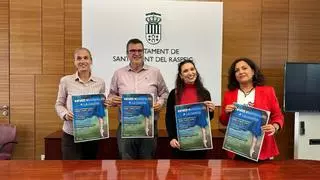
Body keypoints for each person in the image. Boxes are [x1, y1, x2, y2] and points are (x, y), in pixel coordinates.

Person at [107, 38, 169, 159]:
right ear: (127, 54)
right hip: (126, 126)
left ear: (143, 52)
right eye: (132, 50)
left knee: (148, 165)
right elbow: (111, 95)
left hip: (149, 126)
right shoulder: (118, 73)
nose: (136, 53)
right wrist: (113, 100)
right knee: (126, 165)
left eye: (140, 50)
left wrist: (160, 103)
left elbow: (165, 93)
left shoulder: (155, 72)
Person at [220, 57, 284, 161]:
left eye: (244, 68)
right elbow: (223, 121)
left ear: (253, 71)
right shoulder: (229, 95)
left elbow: (278, 116)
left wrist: (274, 126)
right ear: (234, 75)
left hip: (262, 148)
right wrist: (226, 113)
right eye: (237, 70)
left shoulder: (268, 91)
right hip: (237, 148)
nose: (240, 72)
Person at [55, 47, 106, 160]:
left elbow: (100, 104)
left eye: (86, 58)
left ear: (91, 61)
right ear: (75, 62)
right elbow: (59, 104)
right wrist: (65, 114)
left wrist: (103, 106)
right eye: (79, 58)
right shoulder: (66, 81)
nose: (82, 61)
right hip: (71, 134)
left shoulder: (100, 82)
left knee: (91, 172)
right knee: (71, 172)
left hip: (92, 134)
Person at [165, 60, 215, 159]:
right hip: (179, 143)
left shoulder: (205, 93)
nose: (190, 73)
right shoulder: (174, 94)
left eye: (192, 69)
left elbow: (208, 119)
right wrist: (172, 138)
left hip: (200, 142)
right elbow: (169, 118)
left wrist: (211, 111)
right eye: (186, 71)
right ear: (181, 75)